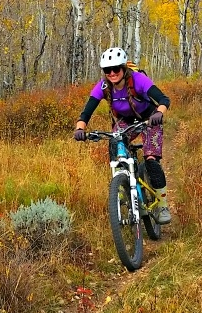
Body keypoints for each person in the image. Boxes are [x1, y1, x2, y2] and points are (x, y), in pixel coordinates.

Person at [73, 47, 172, 225]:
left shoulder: (138, 79)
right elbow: (87, 111)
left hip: (149, 119)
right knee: (115, 146)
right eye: (107, 70)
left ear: (123, 68)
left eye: (116, 69)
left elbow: (164, 99)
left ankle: (162, 205)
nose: (112, 73)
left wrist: (159, 113)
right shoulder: (103, 86)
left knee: (150, 159)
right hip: (125, 121)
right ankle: (124, 186)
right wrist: (80, 128)